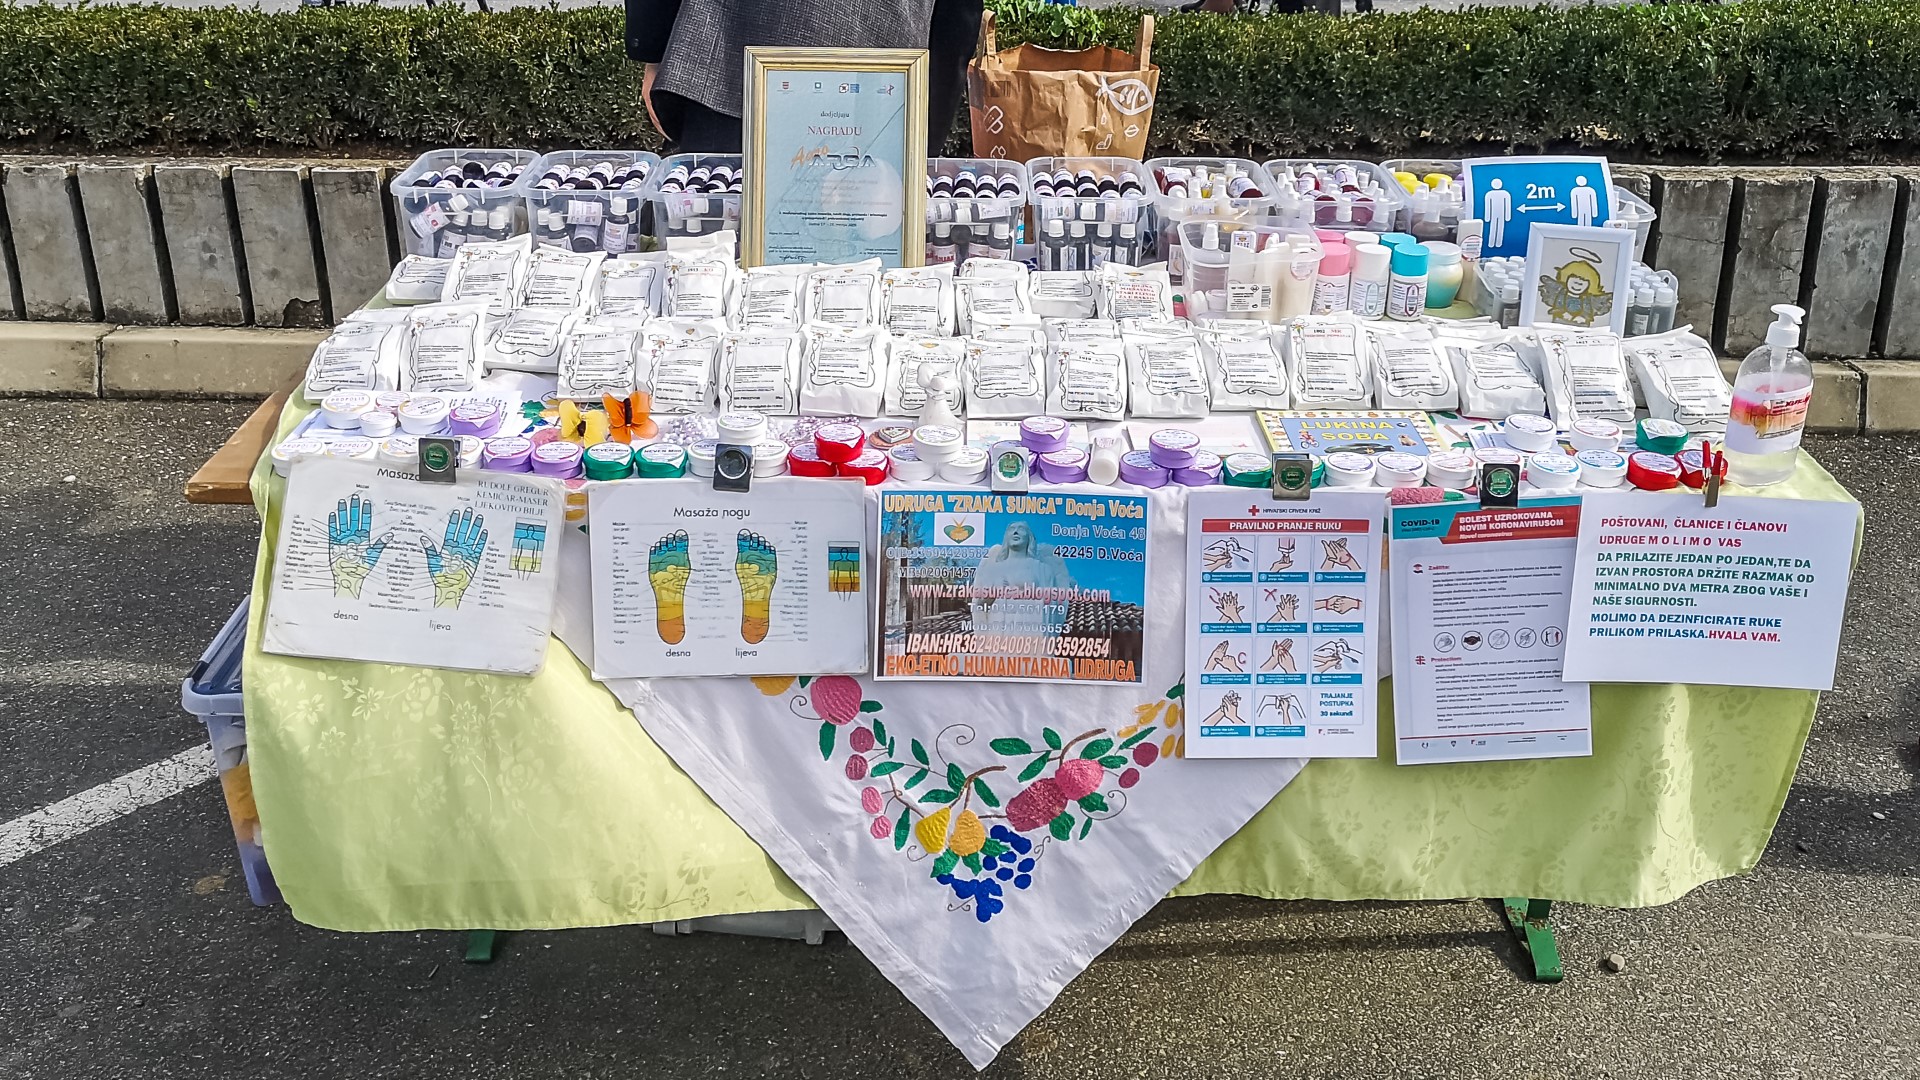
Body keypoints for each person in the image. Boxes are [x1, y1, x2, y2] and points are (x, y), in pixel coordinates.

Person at [626, 0, 984, 154]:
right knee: (863, 262)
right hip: (883, 52)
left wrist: (654, 46)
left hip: (732, 48)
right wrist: (928, 118)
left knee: (718, 252)